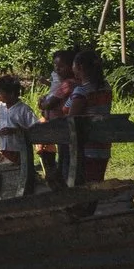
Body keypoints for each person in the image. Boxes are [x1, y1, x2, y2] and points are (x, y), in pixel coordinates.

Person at [65, 49, 113, 181]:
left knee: (85, 183)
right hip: (103, 142)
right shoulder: (106, 87)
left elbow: (71, 116)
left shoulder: (82, 91)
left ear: (79, 67)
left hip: (86, 144)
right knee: (98, 180)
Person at [37, 50, 77, 183]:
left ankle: (65, 184)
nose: (57, 69)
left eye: (61, 66)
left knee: (65, 158)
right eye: (55, 66)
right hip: (62, 126)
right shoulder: (70, 82)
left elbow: (49, 103)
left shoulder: (68, 84)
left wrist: (42, 103)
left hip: (63, 126)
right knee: (65, 156)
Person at [0, 75, 36, 164]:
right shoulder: (0, 106)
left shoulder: (24, 110)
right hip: (2, 149)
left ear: (11, 93)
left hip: (19, 151)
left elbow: (35, 130)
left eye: (0, 92)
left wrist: (15, 131)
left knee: (19, 172)